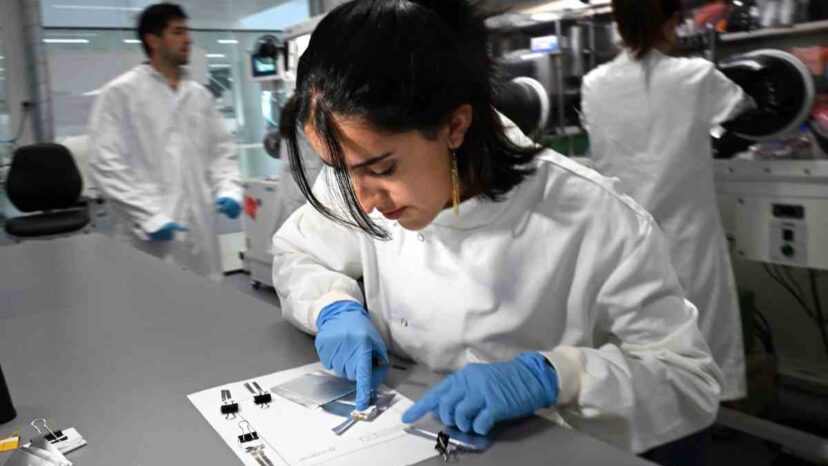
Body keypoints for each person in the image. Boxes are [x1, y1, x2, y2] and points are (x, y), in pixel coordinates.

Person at [272, 0, 722, 460]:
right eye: (342, 172)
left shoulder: (596, 217)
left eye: (383, 169)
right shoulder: (359, 170)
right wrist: (332, 307)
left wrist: (554, 376)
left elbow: (687, 381)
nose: (364, 201)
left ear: (454, 125)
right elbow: (298, 253)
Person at [581, 0, 752, 402]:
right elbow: (743, 106)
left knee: (634, 359)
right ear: (673, 22)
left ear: (618, 25)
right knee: (697, 357)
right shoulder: (696, 76)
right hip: (688, 241)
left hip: (623, 244)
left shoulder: (594, 84)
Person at [89, 3, 242, 281]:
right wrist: (150, 216)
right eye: (178, 32)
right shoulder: (121, 94)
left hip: (199, 231)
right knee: (153, 300)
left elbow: (222, 152)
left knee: (206, 299)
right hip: (145, 236)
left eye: (188, 31)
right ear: (153, 40)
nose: (188, 39)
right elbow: (106, 164)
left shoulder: (199, 97)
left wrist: (229, 189)